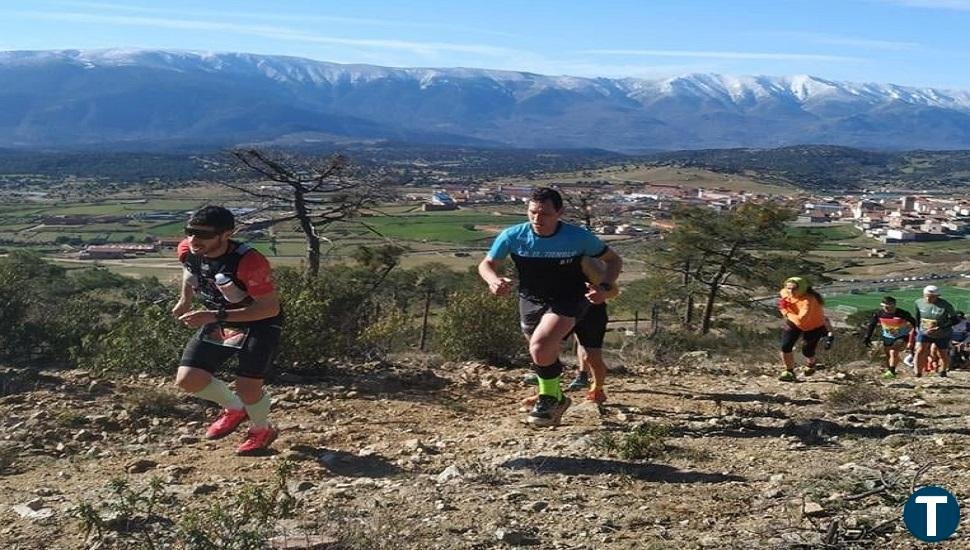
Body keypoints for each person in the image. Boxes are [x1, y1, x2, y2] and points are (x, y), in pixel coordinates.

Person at [479, 187, 622, 427]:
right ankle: (556, 396)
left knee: (541, 345)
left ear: (559, 212)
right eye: (532, 212)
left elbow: (613, 260)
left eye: (544, 214)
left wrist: (604, 287)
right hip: (531, 299)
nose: (537, 219)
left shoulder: (578, 237)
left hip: (569, 297)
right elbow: (487, 263)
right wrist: (493, 280)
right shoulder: (513, 235)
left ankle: (548, 399)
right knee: (541, 353)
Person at [172, 206, 283, 455]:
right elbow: (190, 271)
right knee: (189, 379)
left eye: (204, 234)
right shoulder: (188, 250)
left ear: (226, 234)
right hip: (221, 317)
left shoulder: (249, 261)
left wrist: (213, 315)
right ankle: (235, 409)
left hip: (259, 322)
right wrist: (185, 299)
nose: (194, 240)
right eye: (190, 232)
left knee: (248, 387)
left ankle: (261, 429)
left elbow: (269, 309)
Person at [777, 276, 830, 382]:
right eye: (789, 288)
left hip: (814, 326)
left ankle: (811, 363)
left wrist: (785, 311)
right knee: (785, 345)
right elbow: (783, 293)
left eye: (794, 289)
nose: (791, 291)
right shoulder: (785, 292)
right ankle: (789, 371)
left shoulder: (808, 300)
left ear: (802, 289)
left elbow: (802, 320)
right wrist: (785, 304)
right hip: (793, 321)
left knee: (807, 351)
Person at [861, 296, 917, 380]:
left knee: (893, 352)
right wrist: (867, 337)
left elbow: (915, 324)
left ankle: (892, 372)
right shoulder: (879, 313)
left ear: (894, 305)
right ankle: (890, 370)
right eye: (884, 306)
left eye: (888, 307)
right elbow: (872, 325)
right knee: (888, 355)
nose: (886, 308)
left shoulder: (902, 313)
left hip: (902, 336)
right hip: (887, 337)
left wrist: (914, 337)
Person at [914, 285, 957, 377]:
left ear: (937, 296)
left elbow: (955, 320)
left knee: (942, 353)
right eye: (927, 296)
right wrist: (917, 328)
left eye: (932, 297)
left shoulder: (946, 305)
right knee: (920, 350)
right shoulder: (918, 302)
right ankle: (918, 373)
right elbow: (917, 317)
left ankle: (943, 371)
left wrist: (940, 327)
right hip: (924, 331)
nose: (928, 298)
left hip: (942, 334)